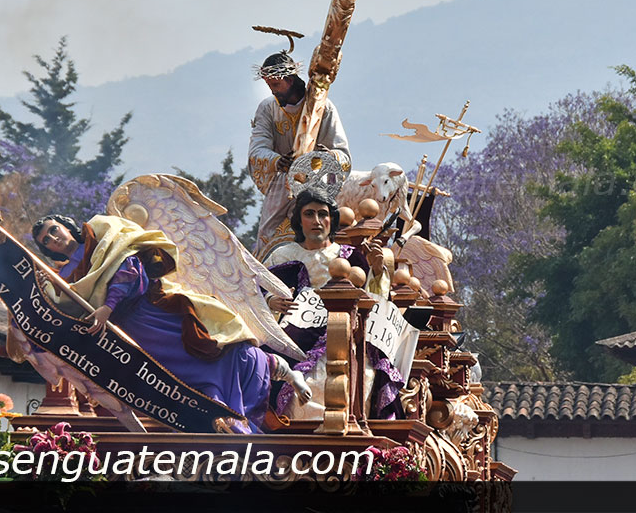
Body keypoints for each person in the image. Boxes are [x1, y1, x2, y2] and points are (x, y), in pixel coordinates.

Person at [30, 212, 310, 433]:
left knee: (212, 347)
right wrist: (45, 286)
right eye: (46, 240)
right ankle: (218, 416)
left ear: (66, 226)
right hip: (129, 333)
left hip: (154, 310)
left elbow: (130, 268)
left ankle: (285, 373)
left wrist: (108, 307)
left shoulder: (104, 234)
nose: (53, 238)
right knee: (177, 377)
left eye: (54, 230)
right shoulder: (63, 276)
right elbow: (66, 309)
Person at [262, 189, 401, 420]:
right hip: (293, 336)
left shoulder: (350, 256)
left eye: (323, 214)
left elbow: (375, 302)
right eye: (309, 214)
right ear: (299, 220)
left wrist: (376, 272)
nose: (317, 221)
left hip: (343, 334)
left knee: (361, 375)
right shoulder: (282, 255)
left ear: (332, 219)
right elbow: (257, 290)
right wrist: (271, 301)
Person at [248, 51, 351, 259]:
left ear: (290, 79)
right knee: (267, 239)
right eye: (269, 86)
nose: (273, 91)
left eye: (276, 85)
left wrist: (328, 157)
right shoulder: (268, 108)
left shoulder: (324, 108)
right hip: (281, 185)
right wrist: (278, 161)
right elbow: (257, 150)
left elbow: (343, 155)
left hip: (317, 185)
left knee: (322, 240)